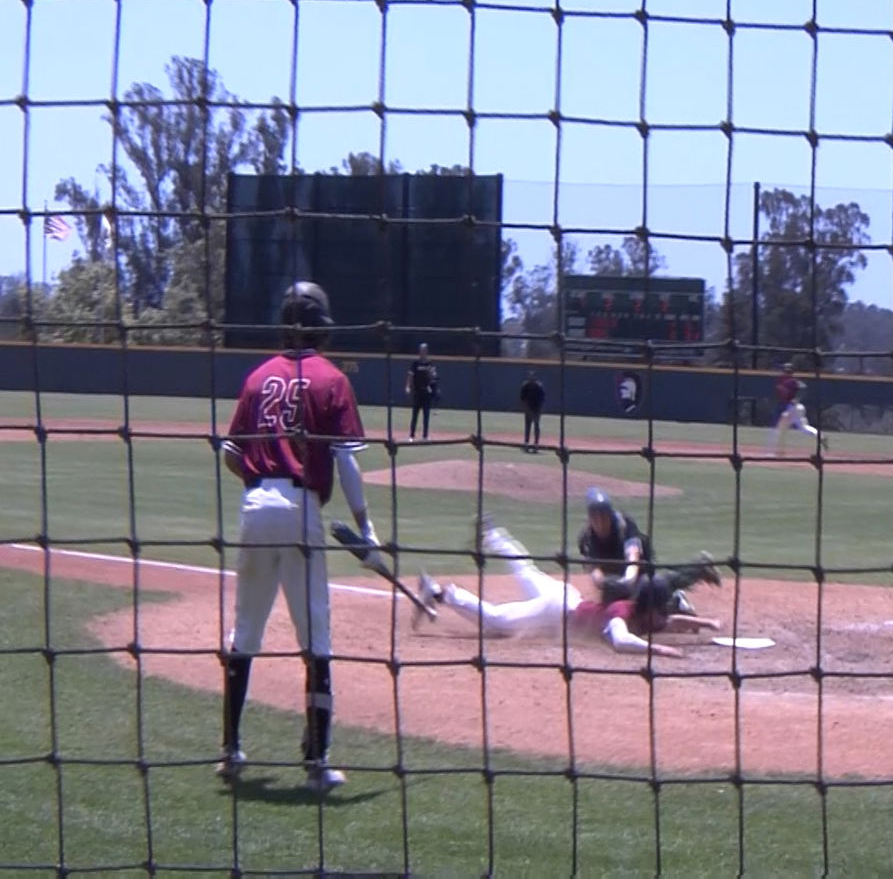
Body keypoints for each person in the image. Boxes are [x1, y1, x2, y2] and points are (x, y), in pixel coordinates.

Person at [216, 280, 378, 792]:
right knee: (317, 641)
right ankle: (316, 762)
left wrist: (259, 484)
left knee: (245, 633)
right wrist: (366, 525)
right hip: (302, 508)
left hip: (254, 505)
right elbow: (344, 459)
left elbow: (228, 452)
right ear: (323, 328)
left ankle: (231, 751)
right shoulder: (331, 379)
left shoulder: (258, 377)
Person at [413, 517, 721, 657]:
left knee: (526, 570)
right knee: (496, 621)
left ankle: (494, 536)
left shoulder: (641, 612)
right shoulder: (621, 613)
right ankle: (441, 593)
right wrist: (658, 649)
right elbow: (622, 642)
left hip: (563, 599)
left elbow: (671, 622)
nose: (663, 617)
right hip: (554, 611)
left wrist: (706, 623)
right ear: (650, 607)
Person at [577, 487, 719, 616]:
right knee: (614, 606)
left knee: (650, 588)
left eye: (604, 516)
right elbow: (595, 572)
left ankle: (693, 575)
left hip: (640, 567)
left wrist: (628, 581)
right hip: (615, 575)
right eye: (596, 517)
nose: (601, 522)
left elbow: (633, 557)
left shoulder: (623, 524)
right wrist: (606, 583)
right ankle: (667, 603)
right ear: (590, 519)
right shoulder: (587, 538)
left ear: (610, 515)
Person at [766, 364, 828, 456]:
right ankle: (820, 436)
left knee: (781, 428)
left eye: (786, 371)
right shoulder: (785, 381)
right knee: (799, 428)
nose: (785, 372)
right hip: (795, 407)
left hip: (793, 407)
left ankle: (780, 452)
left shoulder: (792, 381)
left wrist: (796, 399)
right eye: (785, 370)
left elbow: (803, 388)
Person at [405, 342, 438, 442]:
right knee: (415, 415)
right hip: (417, 392)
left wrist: (432, 374)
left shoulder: (430, 363)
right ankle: (412, 435)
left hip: (426, 392)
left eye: (424, 350)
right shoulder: (415, 363)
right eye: (421, 350)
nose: (422, 352)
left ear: (427, 351)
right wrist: (408, 387)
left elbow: (434, 376)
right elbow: (410, 376)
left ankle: (425, 436)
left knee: (426, 415)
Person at [519, 369, 546, 452]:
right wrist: (526, 409)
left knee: (536, 426)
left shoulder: (539, 386)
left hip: (536, 408)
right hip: (528, 408)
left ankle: (536, 444)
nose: (531, 378)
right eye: (530, 376)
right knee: (527, 426)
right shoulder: (525, 385)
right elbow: (522, 398)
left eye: (533, 376)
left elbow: (542, 399)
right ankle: (526, 444)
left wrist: (538, 409)